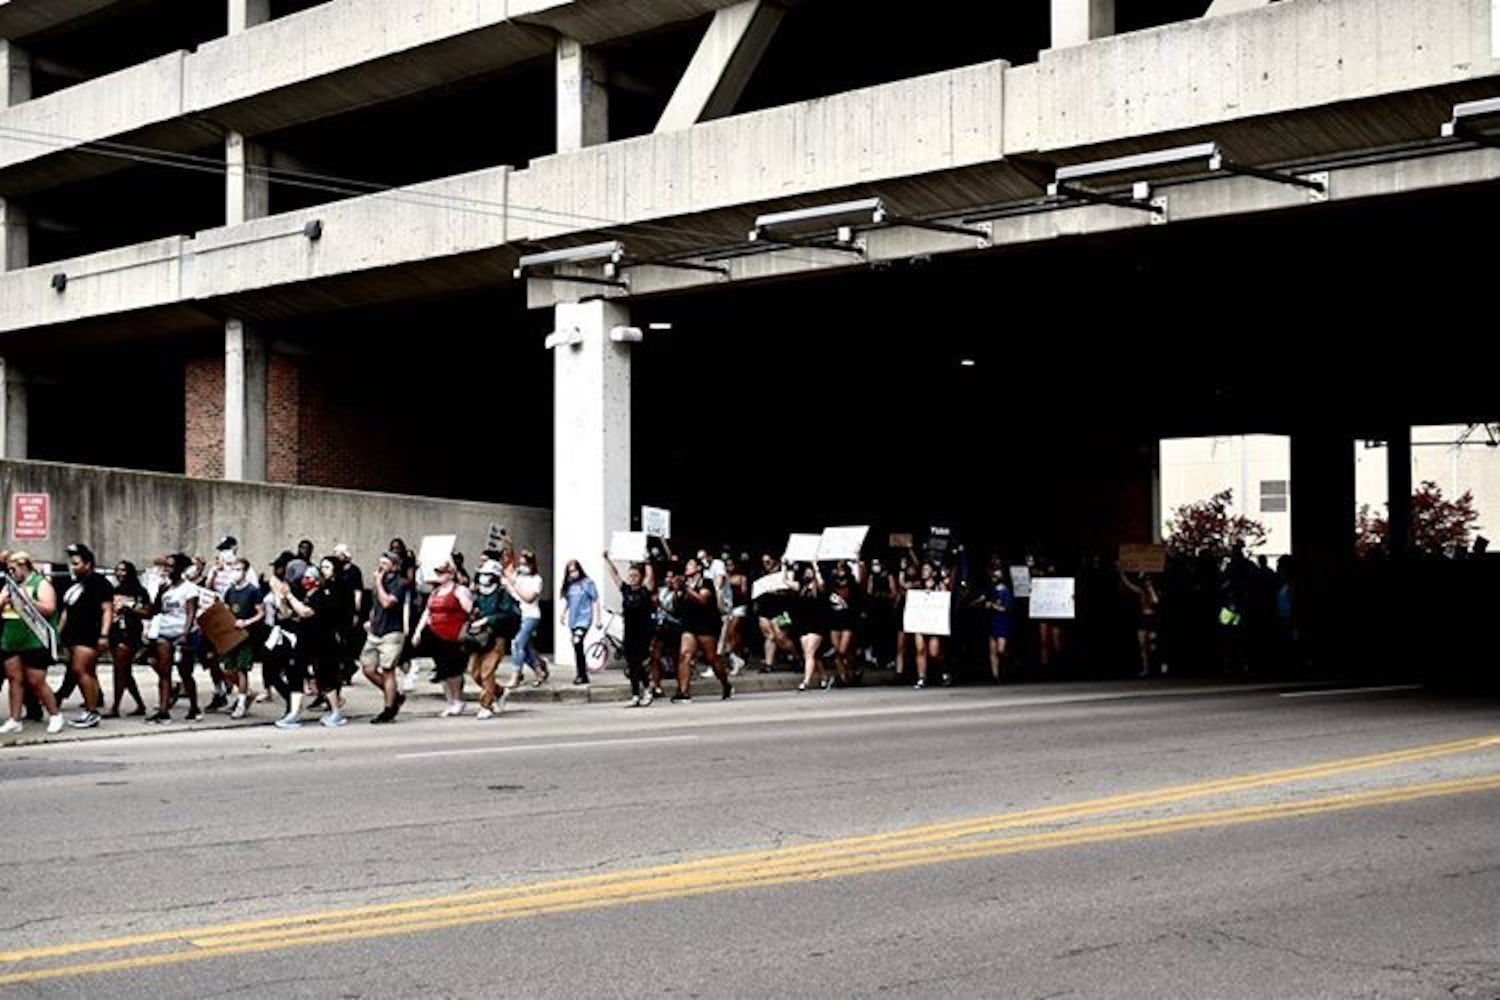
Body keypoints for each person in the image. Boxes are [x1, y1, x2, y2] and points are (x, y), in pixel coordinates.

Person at [0, 552, 63, 735]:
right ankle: (15, 718)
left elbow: (50, 608)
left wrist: (29, 601)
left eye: (14, 568)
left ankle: (54, 714)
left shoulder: (40, 583)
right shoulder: (9, 586)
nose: (12, 572)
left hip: (35, 637)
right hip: (12, 636)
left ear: (24, 566)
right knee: (14, 679)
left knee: (36, 680)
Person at [57, 543, 114, 728]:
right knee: (84, 671)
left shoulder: (99, 583)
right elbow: (67, 610)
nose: (73, 567)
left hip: (89, 633)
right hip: (74, 634)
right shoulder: (75, 584)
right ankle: (91, 707)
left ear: (88, 564)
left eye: (77, 563)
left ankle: (92, 711)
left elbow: (107, 610)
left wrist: (104, 635)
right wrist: (59, 632)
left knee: (81, 670)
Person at [414, 559, 473, 716]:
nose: (439, 575)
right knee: (442, 670)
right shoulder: (435, 592)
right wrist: (418, 632)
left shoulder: (460, 590)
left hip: (454, 634)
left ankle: (458, 699)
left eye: (442, 572)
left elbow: (470, 610)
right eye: (438, 572)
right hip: (436, 633)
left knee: (453, 670)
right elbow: (427, 612)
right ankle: (450, 701)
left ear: (451, 574)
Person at [146, 554, 200, 724]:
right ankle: (163, 711)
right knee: (164, 672)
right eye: (166, 566)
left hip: (182, 632)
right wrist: (159, 593)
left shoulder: (190, 588)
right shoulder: (166, 588)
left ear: (180, 569)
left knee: (185, 673)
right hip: (164, 631)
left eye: (170, 566)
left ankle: (194, 706)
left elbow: (191, 612)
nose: (167, 569)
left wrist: (185, 633)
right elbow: (154, 610)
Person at [362, 551, 413, 724]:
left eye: (385, 563)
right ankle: (395, 695)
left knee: (388, 670)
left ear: (395, 566)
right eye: (380, 562)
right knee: (368, 668)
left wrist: (377, 582)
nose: (381, 566)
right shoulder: (380, 582)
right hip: (376, 630)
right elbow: (376, 605)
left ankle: (389, 709)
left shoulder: (400, 583)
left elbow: (387, 602)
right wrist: (370, 620)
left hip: (392, 631)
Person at [466, 559, 517, 721]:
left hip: (496, 638)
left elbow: (510, 615)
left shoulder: (502, 594)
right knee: (475, 673)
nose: (484, 578)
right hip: (479, 638)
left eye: (487, 575)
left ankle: (486, 705)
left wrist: (489, 620)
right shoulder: (479, 594)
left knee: (487, 671)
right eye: (482, 575)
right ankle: (499, 692)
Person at [675, 557, 732, 702]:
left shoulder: (706, 582)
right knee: (685, 655)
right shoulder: (684, 583)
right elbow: (677, 604)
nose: (687, 567)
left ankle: (726, 684)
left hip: (706, 624)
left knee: (712, 658)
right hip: (689, 623)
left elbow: (703, 599)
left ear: (699, 568)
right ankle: (684, 691)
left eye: (691, 565)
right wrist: (677, 591)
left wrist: (686, 589)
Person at [604, 553, 656, 707]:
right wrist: (608, 560)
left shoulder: (645, 591)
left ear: (640, 577)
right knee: (631, 664)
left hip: (643, 632)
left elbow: (650, 577)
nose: (632, 578)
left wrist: (647, 562)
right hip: (629, 632)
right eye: (630, 575)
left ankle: (647, 687)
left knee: (638, 663)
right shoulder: (626, 590)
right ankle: (635, 694)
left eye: (635, 575)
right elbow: (615, 575)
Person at [104, 560, 149, 718]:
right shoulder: (113, 590)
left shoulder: (139, 591)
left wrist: (130, 609)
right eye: (118, 570)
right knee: (125, 671)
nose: (120, 573)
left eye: (123, 570)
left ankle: (115, 706)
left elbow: (148, 611)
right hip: (115, 632)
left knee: (119, 669)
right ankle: (140, 704)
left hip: (131, 633)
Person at [222, 557, 265, 718]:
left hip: (246, 636)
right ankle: (246, 692)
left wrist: (246, 622)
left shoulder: (253, 591)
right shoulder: (230, 591)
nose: (235, 573)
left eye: (238, 569)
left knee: (242, 669)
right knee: (228, 670)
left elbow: (261, 613)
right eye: (233, 569)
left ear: (245, 572)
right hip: (231, 635)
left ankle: (241, 703)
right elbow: (226, 610)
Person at [504, 550, 548, 688]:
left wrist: (515, 584)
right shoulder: (519, 578)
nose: (522, 567)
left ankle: (515, 675)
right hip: (521, 615)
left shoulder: (537, 580)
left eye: (525, 564)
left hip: (532, 616)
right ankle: (539, 671)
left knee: (517, 644)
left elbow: (529, 598)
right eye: (520, 563)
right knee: (526, 648)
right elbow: (513, 592)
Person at [560, 559, 600, 686]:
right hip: (573, 619)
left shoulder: (587, 583)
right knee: (577, 646)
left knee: (578, 641)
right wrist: (563, 613)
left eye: (575, 570)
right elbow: (569, 601)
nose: (573, 573)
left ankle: (581, 674)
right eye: (570, 571)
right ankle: (582, 673)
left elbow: (595, 600)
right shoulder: (570, 585)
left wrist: (598, 619)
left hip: (584, 618)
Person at [984, 560, 1015, 683]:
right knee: (992, 649)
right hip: (992, 620)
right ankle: (995, 675)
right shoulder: (990, 589)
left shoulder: (1006, 590)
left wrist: (993, 606)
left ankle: (1011, 662)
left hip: (1003, 621)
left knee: (1001, 650)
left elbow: (1007, 608)